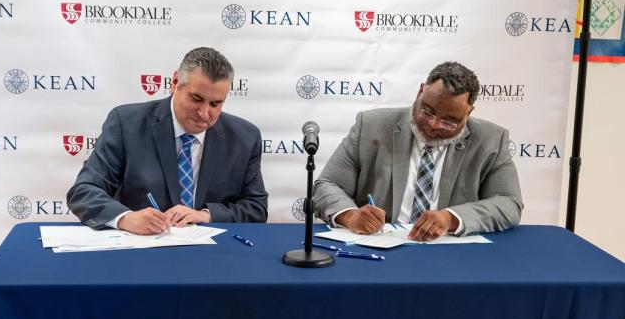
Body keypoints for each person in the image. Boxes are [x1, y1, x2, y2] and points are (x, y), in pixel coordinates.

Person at [312, 61, 523, 242]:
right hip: (380, 250)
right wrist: (350, 216)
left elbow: (509, 203)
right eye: (427, 110)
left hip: (452, 257)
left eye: (449, 121)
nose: (433, 124)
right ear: (421, 91)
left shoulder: (491, 141)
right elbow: (327, 185)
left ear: (469, 113)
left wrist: (450, 218)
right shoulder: (371, 126)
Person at [67, 47, 267, 235]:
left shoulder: (244, 138)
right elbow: (84, 191)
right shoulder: (127, 124)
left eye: (215, 104)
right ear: (174, 83)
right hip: (140, 252)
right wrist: (126, 218)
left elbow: (256, 209)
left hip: (214, 257)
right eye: (196, 98)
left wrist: (207, 215)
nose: (204, 113)